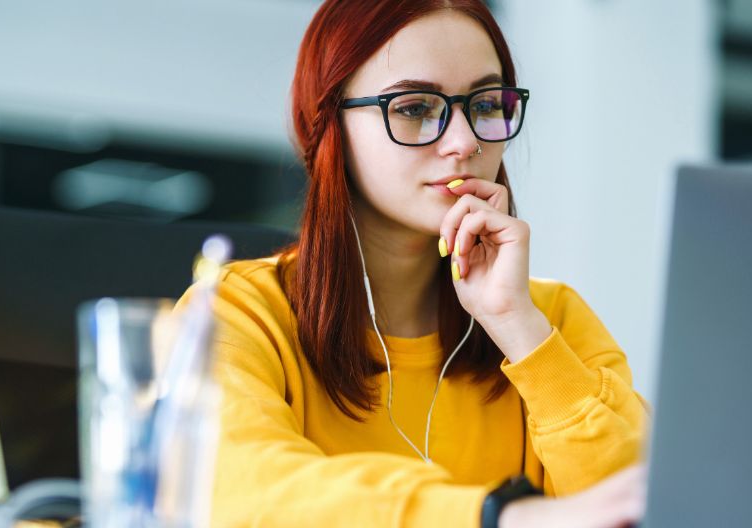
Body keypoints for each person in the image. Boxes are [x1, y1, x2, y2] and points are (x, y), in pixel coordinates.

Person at [175, 1, 648, 526]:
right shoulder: (238, 314)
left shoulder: (549, 318)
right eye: (415, 108)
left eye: (487, 104)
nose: (465, 141)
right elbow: (235, 491)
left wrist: (520, 331)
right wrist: (494, 517)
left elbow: (645, 502)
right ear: (329, 123)